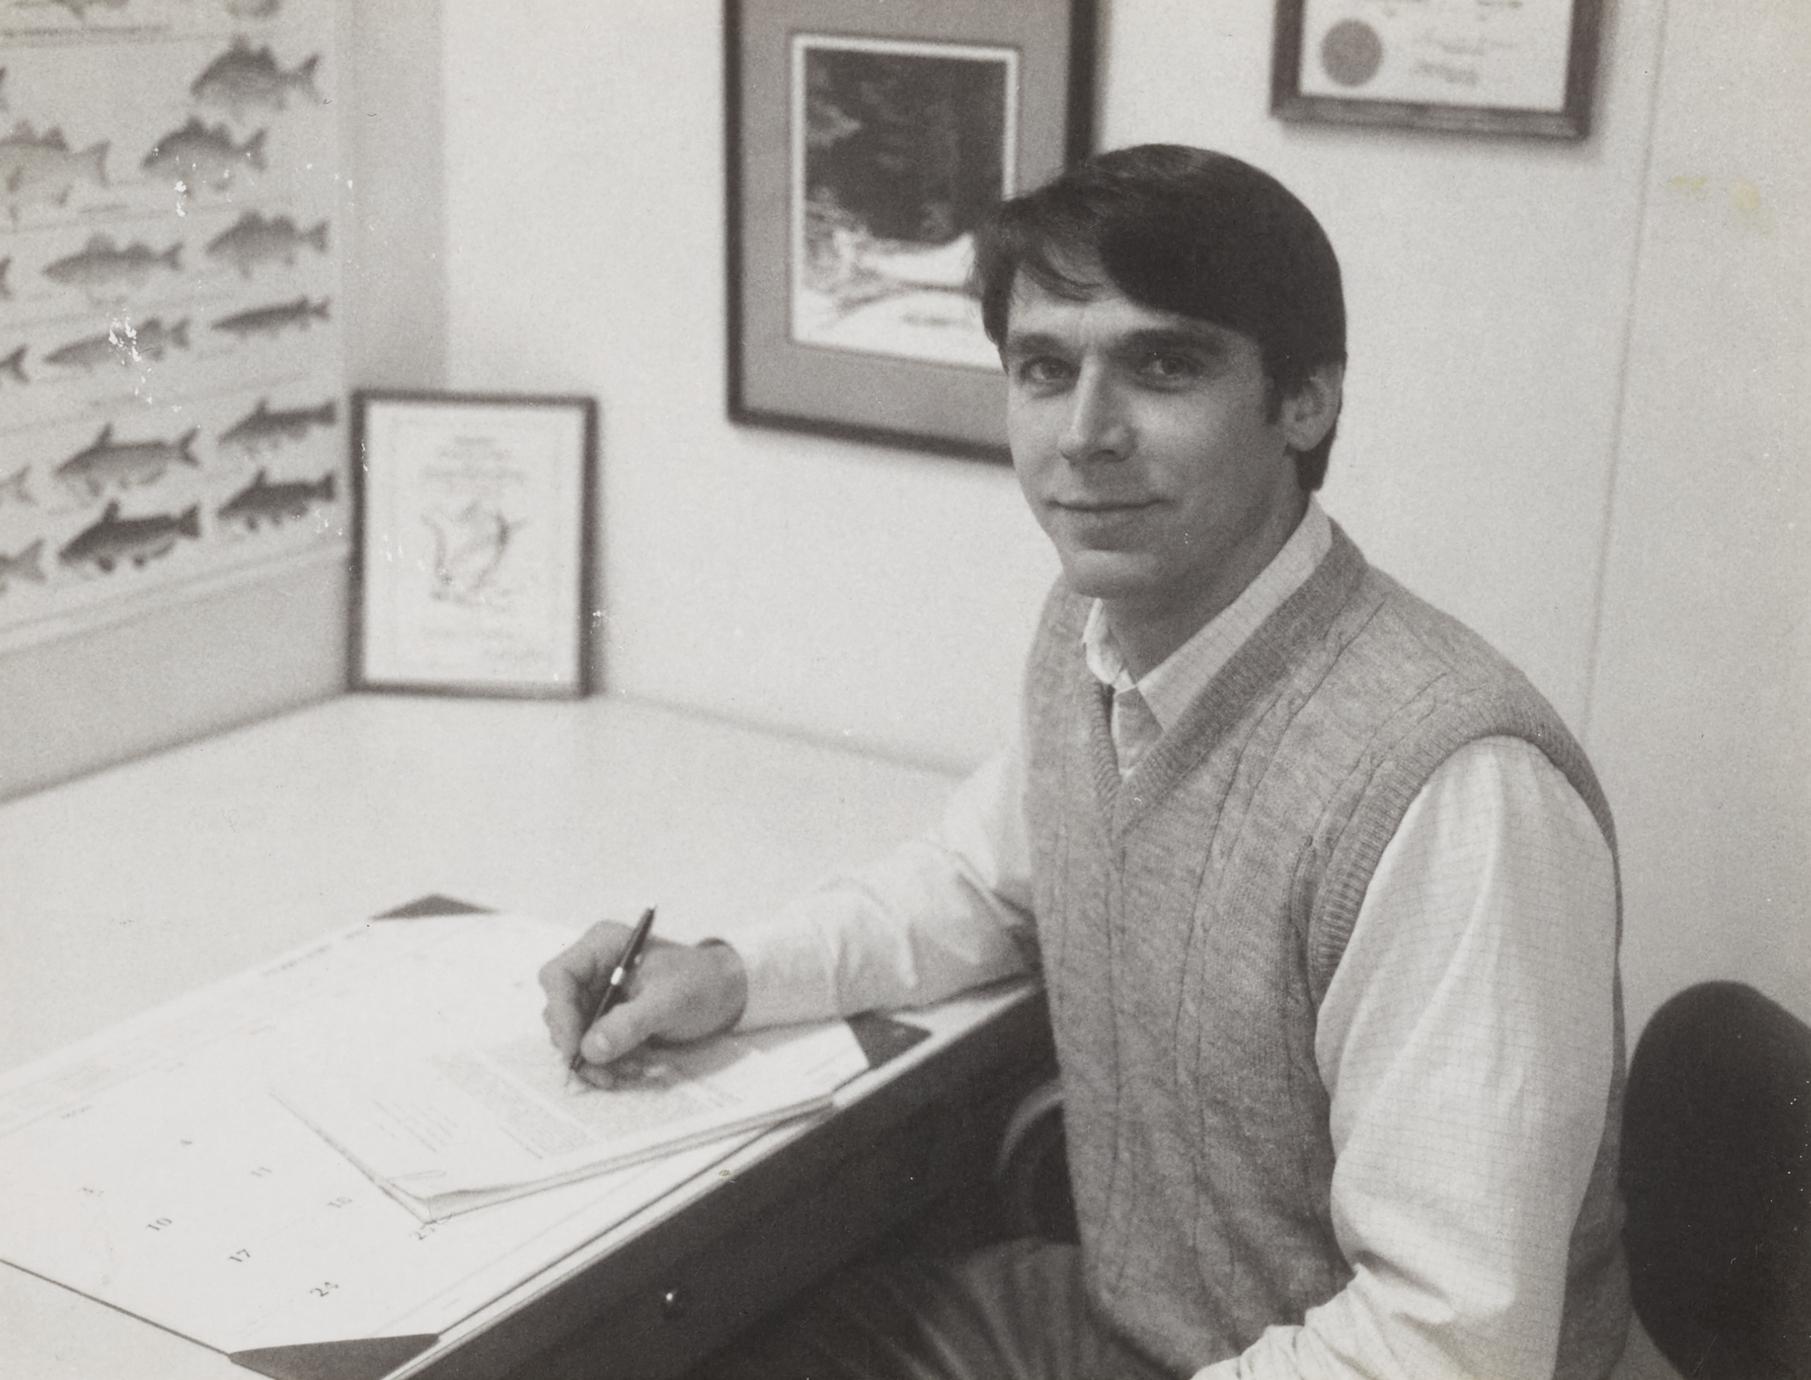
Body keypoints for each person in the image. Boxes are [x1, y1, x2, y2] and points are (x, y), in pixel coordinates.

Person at [540, 144, 1629, 1379]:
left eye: (1162, 366)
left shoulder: (1454, 792)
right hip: (1132, 1330)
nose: (1084, 434)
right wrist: (730, 975)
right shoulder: (1096, 627)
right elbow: (981, 882)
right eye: (1044, 370)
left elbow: (1451, 1349)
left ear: (1304, 402)